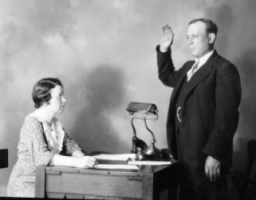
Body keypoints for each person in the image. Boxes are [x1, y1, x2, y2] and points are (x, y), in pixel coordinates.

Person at [156, 18, 241, 199]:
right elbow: (166, 77)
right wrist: (164, 48)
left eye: (195, 36)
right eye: (187, 37)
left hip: (206, 156)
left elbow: (227, 117)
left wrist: (215, 155)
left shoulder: (224, 69)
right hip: (183, 153)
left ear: (210, 38)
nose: (189, 41)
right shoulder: (189, 67)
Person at [7, 78, 97, 197]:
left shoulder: (55, 124)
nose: (64, 100)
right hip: (26, 186)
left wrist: (84, 159)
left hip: (48, 181)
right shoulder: (32, 122)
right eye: (59, 96)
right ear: (45, 102)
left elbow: (70, 146)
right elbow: (42, 157)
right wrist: (78, 162)